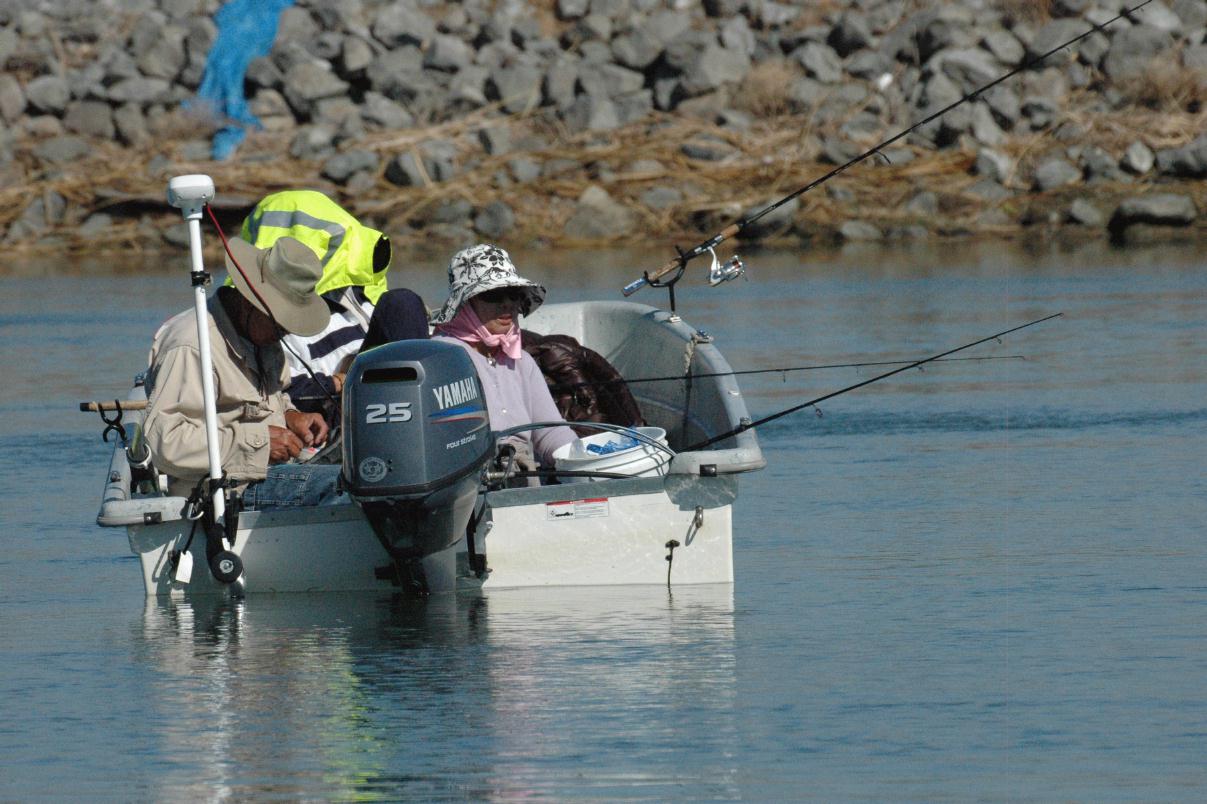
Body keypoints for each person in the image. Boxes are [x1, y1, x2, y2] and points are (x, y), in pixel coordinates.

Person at [142, 236, 343, 510]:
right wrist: (260, 444)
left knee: (370, 473)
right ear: (250, 303)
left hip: (268, 474)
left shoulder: (263, 335)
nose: (286, 331)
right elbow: (164, 443)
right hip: (220, 491)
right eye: (281, 321)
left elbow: (273, 396)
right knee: (341, 485)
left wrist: (291, 416)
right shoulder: (192, 346)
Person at [238, 190, 430, 425]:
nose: (340, 250)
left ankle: (424, 420)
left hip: (383, 398)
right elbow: (280, 392)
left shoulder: (351, 293)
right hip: (334, 414)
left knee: (402, 305)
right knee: (401, 305)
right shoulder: (258, 315)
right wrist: (339, 382)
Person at [430, 244, 577, 474]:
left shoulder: (522, 360)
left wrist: (582, 457)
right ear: (465, 303)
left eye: (513, 293)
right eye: (494, 294)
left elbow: (550, 432)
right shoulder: (442, 359)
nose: (507, 303)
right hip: (469, 484)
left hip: (523, 477)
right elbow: (444, 443)